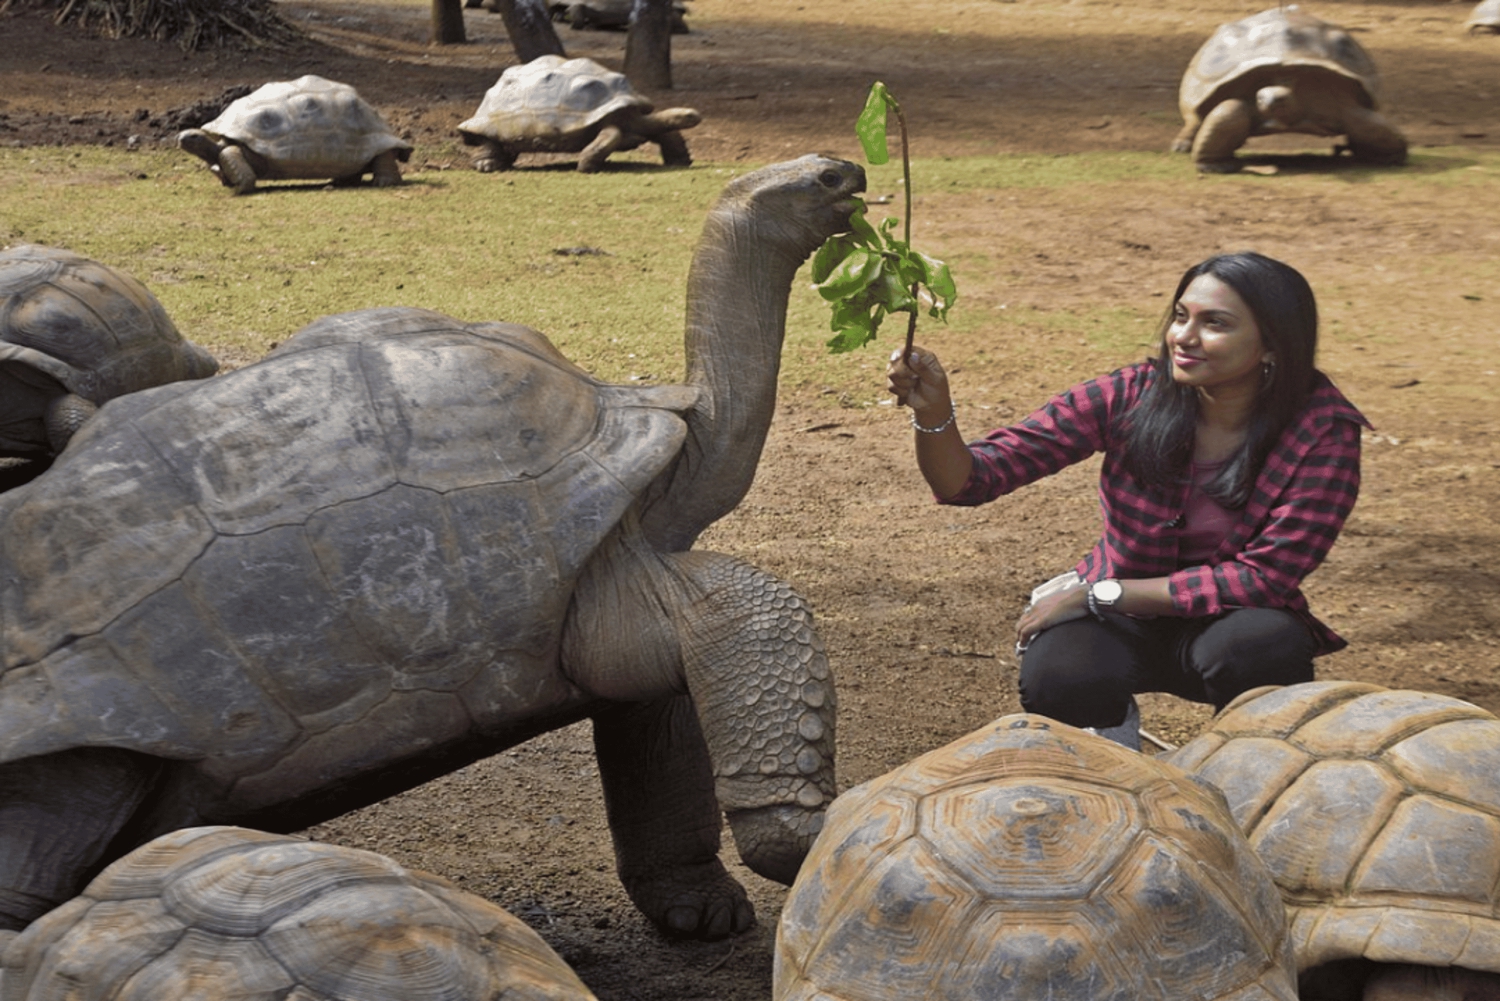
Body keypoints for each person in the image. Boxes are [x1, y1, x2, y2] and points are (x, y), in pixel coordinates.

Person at [885, 251, 1370, 748]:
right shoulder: (1131, 393)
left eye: (1215, 324)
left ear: (1272, 346)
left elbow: (1263, 577)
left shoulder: (1323, 431)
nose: (1183, 337)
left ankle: (1252, 769)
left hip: (1231, 618)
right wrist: (934, 411)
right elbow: (971, 481)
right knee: (1060, 674)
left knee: (1263, 648)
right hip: (1120, 619)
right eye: (1180, 317)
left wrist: (1097, 594)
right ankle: (1109, 774)